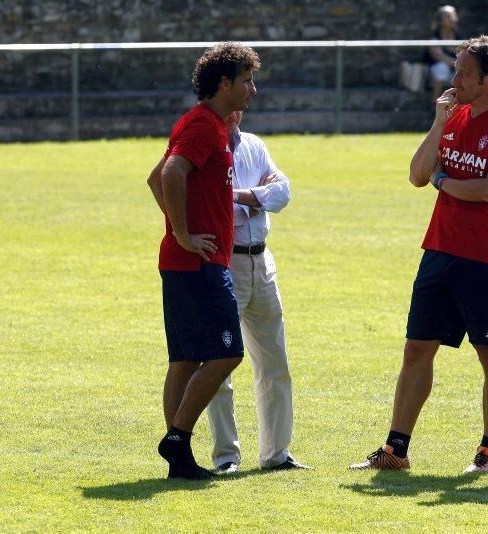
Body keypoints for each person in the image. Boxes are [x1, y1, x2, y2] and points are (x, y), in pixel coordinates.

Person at [349, 35, 488, 473]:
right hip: (439, 250)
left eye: (463, 72)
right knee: (416, 350)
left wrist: (444, 182)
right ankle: (395, 451)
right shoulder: (454, 114)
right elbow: (417, 175)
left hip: (484, 259)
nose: (453, 78)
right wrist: (438, 125)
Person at [146, 42, 260, 480]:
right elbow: (170, 174)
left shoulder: (208, 124)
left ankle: (179, 455)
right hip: (199, 262)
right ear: (224, 83)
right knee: (227, 353)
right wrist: (182, 233)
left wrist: (179, 231)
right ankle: (177, 438)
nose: (253, 89)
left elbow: (155, 177)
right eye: (247, 80)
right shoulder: (204, 125)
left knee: (185, 358)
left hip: (187, 262)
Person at [204, 110, 311, 473]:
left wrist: (242, 196)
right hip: (225, 261)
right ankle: (226, 457)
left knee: (274, 362)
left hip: (262, 262)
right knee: (219, 362)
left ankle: (276, 454)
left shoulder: (253, 145)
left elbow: (283, 193)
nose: (238, 109)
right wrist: (257, 197)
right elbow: (215, 206)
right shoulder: (206, 148)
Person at [423, 5, 460, 103]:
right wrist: (458, 64)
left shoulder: (458, 37)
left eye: (453, 15)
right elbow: (438, 56)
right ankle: (434, 104)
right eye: (447, 16)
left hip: (455, 68)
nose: (452, 18)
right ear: (440, 21)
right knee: (441, 68)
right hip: (435, 71)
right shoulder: (434, 38)